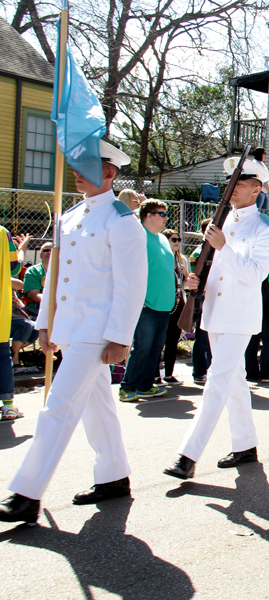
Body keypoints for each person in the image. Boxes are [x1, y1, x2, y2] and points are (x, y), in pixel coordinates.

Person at [0, 141, 147, 523]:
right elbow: (55, 278)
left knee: (58, 407)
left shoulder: (121, 219)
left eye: (86, 165)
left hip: (98, 330)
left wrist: (121, 338)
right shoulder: (70, 216)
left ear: (111, 173)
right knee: (96, 405)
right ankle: (113, 475)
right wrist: (46, 323)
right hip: (72, 326)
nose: (76, 172)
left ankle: (26, 492)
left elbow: (132, 285)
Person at [163, 156, 269, 481]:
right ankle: (245, 445)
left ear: (256, 189)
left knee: (216, 380)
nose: (232, 188)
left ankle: (188, 455)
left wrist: (223, 248)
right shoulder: (224, 218)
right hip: (214, 309)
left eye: (239, 183)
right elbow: (216, 266)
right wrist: (197, 281)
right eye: (231, 182)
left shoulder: (265, 227)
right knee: (233, 380)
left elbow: (254, 275)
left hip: (240, 314)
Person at [118, 200, 176, 401]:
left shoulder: (161, 239)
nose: (166, 217)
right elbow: (128, 268)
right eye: (162, 213)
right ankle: (128, 387)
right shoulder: (138, 237)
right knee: (142, 347)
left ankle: (145, 385)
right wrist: (136, 297)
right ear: (148, 215)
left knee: (154, 348)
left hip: (164, 304)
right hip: (146, 304)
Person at [244, 255, 269, 383]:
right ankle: (266, 373)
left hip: (251, 301)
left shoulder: (249, 256)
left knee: (252, 337)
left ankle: (251, 372)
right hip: (267, 303)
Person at [1, 226, 23, 420]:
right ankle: (8, 405)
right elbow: (14, 267)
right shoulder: (2, 233)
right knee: (2, 355)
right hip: (1, 307)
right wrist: (21, 250)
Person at [161, 229, 189, 384]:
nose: (177, 242)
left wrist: (185, 274)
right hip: (164, 303)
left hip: (178, 303)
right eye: (173, 239)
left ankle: (169, 374)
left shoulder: (182, 259)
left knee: (173, 339)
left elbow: (187, 285)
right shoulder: (162, 258)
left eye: (178, 239)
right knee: (159, 340)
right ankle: (155, 375)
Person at [189, 219, 213, 384]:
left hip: (214, 296)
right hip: (202, 297)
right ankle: (199, 371)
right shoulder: (199, 253)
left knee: (211, 337)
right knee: (202, 336)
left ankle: (210, 369)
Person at [21, 242, 51, 318]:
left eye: (53, 250)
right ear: (40, 254)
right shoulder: (33, 271)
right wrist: (52, 302)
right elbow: (34, 294)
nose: (49, 252)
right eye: (46, 250)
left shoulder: (64, 272)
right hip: (38, 311)